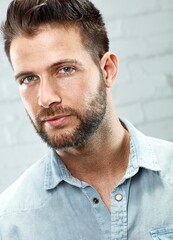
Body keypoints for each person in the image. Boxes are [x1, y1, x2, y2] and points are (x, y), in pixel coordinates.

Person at [0, 0, 173, 239]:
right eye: (28, 79)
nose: (46, 98)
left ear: (107, 70)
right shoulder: (9, 222)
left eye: (65, 70)